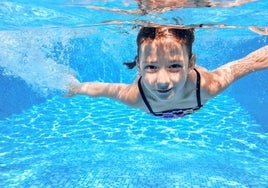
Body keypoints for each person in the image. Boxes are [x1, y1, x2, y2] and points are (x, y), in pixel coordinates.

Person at [66, 26, 268, 118]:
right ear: (139, 66)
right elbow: (101, 89)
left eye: (174, 66)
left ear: (190, 64)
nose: (163, 82)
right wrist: (74, 87)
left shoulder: (208, 86)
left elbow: (250, 62)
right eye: (151, 67)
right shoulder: (136, 96)